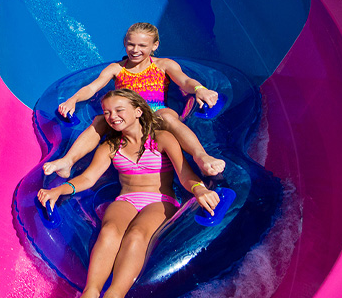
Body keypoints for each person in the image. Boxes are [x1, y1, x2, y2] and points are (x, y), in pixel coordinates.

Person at [38, 89, 220, 298]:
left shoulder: (162, 138)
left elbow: (184, 174)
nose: (112, 116)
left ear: (138, 111)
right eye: (107, 112)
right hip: (126, 199)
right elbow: (88, 178)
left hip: (160, 200)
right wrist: (58, 190)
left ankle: (114, 295)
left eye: (119, 110)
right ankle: (90, 292)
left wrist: (200, 190)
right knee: (109, 231)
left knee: (136, 235)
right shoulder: (110, 146)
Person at [43, 22, 226, 178]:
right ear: (125, 43)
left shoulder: (164, 65)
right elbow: (93, 87)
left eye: (142, 46)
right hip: (125, 116)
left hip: (155, 112)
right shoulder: (116, 68)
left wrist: (199, 89)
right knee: (100, 120)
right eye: (131, 45)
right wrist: (73, 100)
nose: (135, 50)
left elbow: (184, 80)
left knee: (169, 116)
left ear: (154, 46)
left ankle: (201, 157)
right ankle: (68, 161)